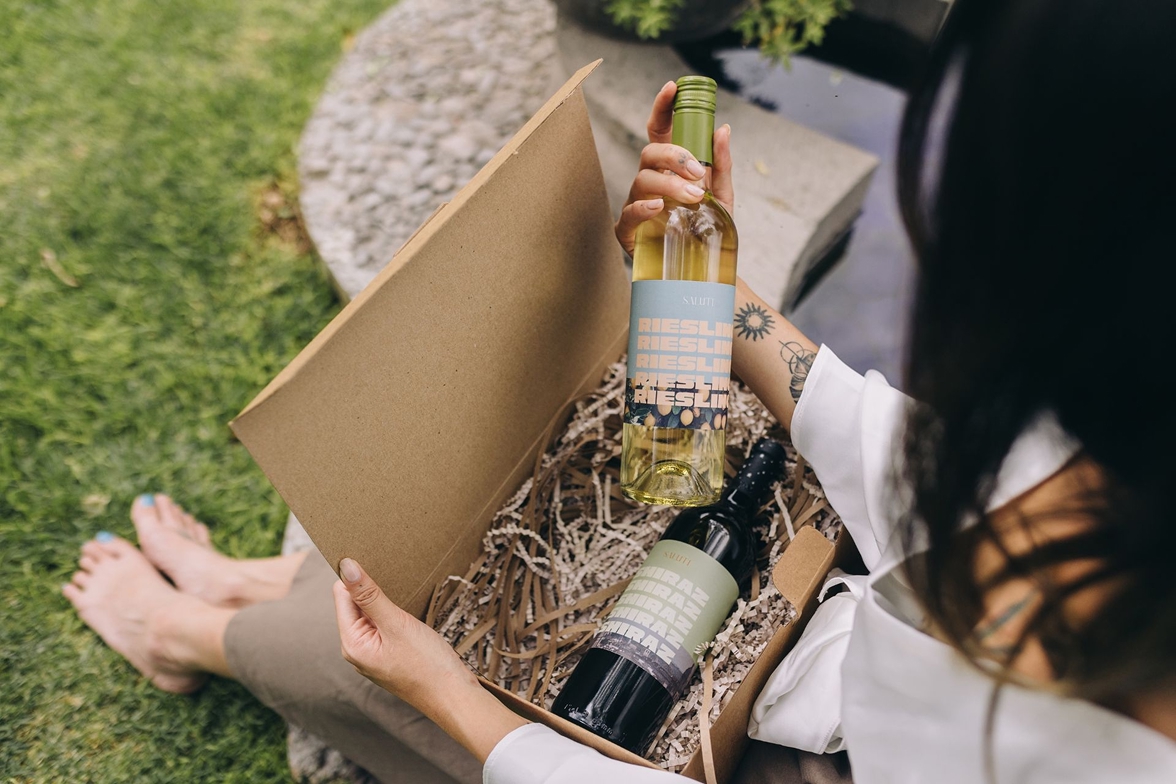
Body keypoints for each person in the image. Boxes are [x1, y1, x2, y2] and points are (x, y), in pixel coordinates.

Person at [64, 0, 1176, 781]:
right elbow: (943, 464)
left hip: (797, 749)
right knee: (406, 574)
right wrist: (706, 292)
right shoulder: (1127, 456)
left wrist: (456, 701)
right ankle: (263, 584)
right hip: (844, 653)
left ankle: (196, 639)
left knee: (387, 659)